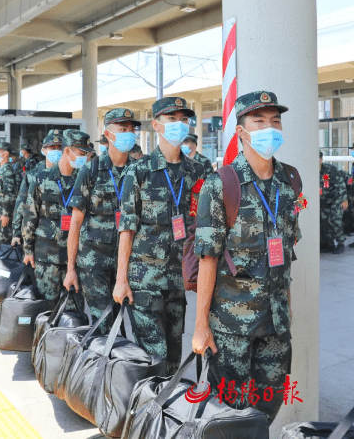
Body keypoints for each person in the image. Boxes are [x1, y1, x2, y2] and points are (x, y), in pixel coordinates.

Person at [192, 91, 302, 423]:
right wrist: (200, 327)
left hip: (275, 324)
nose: (269, 128)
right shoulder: (222, 184)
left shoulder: (289, 181)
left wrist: (287, 301)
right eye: (259, 121)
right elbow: (207, 259)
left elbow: (286, 251)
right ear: (242, 132)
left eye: (275, 121)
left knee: (268, 404)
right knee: (230, 414)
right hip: (230, 329)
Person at [115, 97, 206, 375]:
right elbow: (127, 230)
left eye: (183, 119)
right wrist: (121, 280)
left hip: (179, 280)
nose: (179, 125)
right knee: (154, 357)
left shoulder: (199, 172)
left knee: (174, 354)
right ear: (156, 125)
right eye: (171, 119)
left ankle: (164, 411)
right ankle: (148, 411)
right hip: (145, 281)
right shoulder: (138, 172)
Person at [64, 109, 140, 331]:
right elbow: (76, 222)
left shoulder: (138, 170)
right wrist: (71, 269)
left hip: (129, 262)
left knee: (130, 324)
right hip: (94, 262)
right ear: (108, 134)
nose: (129, 133)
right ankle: (105, 365)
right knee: (104, 324)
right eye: (122, 129)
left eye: (131, 129)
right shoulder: (92, 170)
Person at [23, 130, 92, 303]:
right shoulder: (41, 178)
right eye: (81, 152)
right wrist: (28, 250)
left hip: (76, 259)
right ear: (67, 151)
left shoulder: (84, 180)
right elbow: (30, 215)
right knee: (46, 308)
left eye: (86, 153)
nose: (84, 157)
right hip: (47, 256)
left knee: (73, 312)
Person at [11, 131, 62, 246]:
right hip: (40, 238)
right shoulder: (33, 175)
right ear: (44, 150)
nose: (56, 151)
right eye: (52, 148)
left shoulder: (69, 175)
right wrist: (16, 233)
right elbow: (21, 204)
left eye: (59, 148)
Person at [0, 142, 18, 245]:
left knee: (4, 242)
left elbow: (9, 195)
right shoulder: (2, 170)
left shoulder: (7, 171)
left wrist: (5, 214)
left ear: (5, 153)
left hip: (2, 214)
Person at [319, 151, 347, 254]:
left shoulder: (330, 169)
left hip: (336, 198)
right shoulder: (312, 170)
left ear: (321, 160)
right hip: (324, 200)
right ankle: (329, 244)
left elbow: (341, 184)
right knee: (325, 221)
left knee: (335, 219)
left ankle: (340, 243)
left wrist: (344, 200)